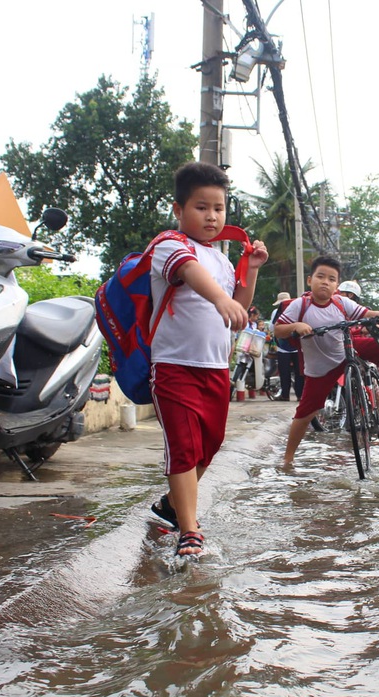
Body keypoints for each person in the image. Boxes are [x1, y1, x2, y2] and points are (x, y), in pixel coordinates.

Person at [147, 162, 268, 556]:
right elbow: (190, 272)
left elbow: (238, 308)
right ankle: (190, 530)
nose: (212, 216)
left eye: (219, 208)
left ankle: (171, 505)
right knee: (183, 447)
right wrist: (219, 298)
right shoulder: (169, 244)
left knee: (209, 446)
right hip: (174, 364)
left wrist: (250, 269)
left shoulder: (222, 259)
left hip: (216, 367)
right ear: (179, 210)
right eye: (201, 207)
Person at [275, 257, 379, 465]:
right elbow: (278, 330)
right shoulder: (300, 305)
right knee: (304, 413)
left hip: (346, 352)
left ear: (336, 285)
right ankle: (287, 459)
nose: (325, 282)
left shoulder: (341, 302)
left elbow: (367, 313)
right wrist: (296, 326)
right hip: (319, 368)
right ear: (310, 280)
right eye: (320, 277)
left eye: (331, 279)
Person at [269, 291, 303, 401]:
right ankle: (299, 395)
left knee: (284, 372)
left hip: (282, 347)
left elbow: (271, 327)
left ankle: (285, 395)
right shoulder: (296, 308)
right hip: (297, 346)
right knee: (299, 372)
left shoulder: (276, 311)